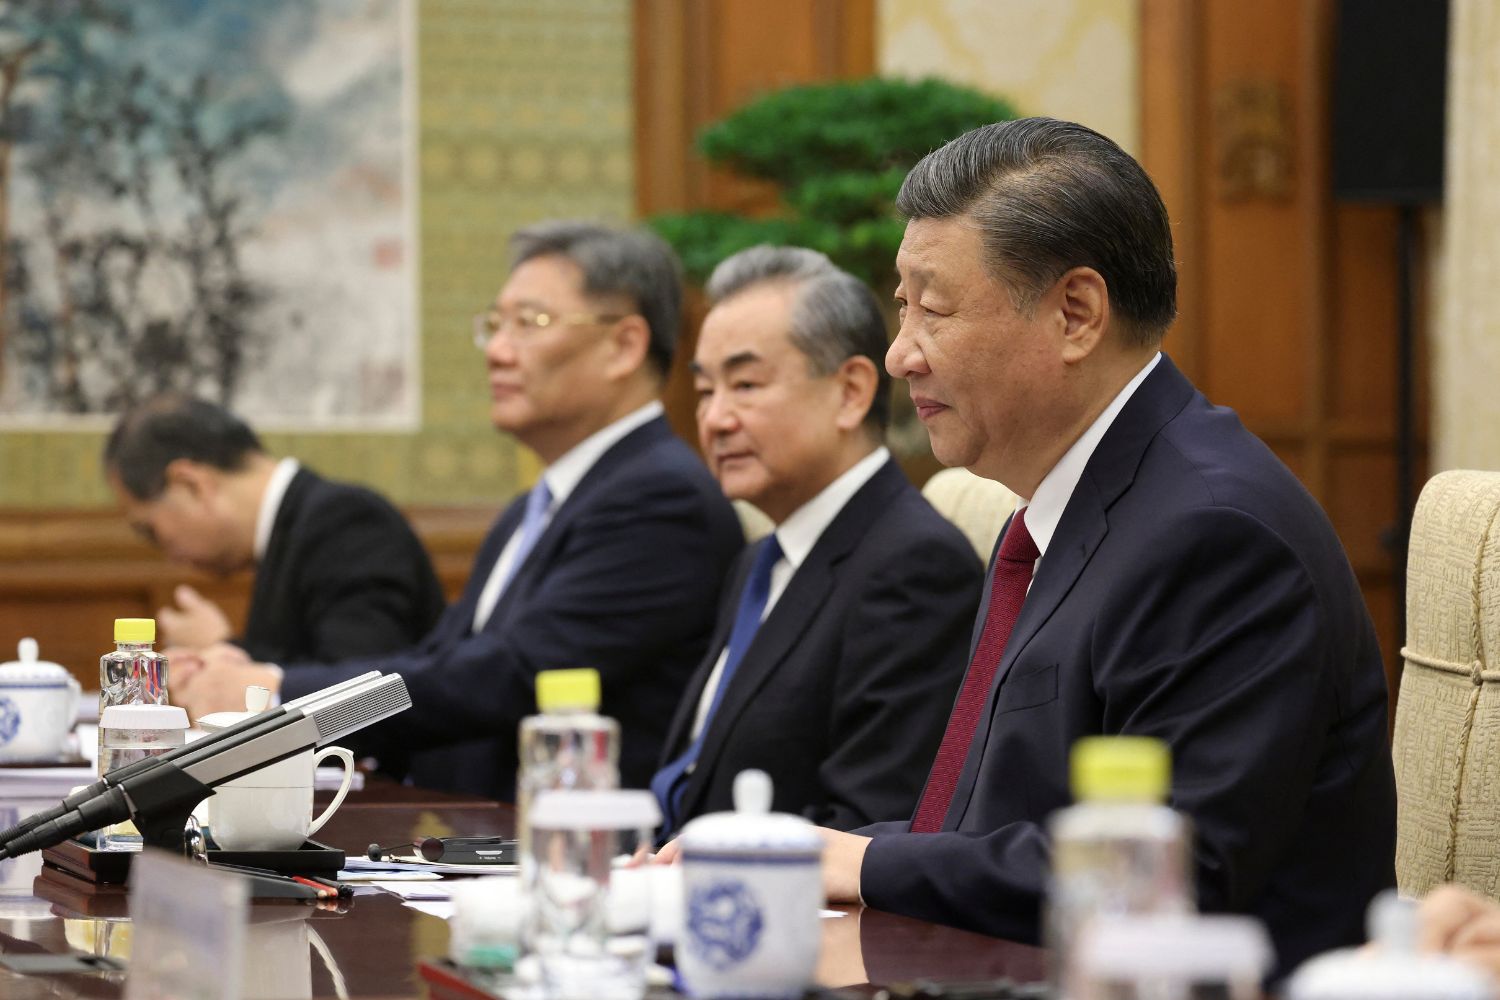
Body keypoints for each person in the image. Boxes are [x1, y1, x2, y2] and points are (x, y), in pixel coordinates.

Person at [810, 118, 1398, 976]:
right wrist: (787, 856)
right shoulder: (1058, 516)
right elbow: (989, 834)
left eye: (932, 309)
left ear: (1076, 314)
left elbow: (1159, 880)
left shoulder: (1215, 535)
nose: (900, 353)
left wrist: (860, 863)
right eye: (902, 308)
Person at [172, 221, 744, 799]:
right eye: (496, 326)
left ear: (624, 345)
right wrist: (252, 676)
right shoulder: (535, 508)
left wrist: (277, 695)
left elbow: (509, 676)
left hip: (569, 854)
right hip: (458, 837)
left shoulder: (662, 499)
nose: (497, 351)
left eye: (530, 323)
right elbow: (436, 659)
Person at [651, 245, 981, 838]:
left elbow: (869, 825)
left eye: (745, 384)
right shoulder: (760, 558)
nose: (716, 419)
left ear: (851, 392)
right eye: (705, 392)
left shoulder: (913, 566)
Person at [104, 396, 444, 666]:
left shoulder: (346, 522)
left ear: (191, 484)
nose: (168, 554)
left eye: (150, 530)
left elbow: (362, 696)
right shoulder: (291, 528)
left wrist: (224, 653)